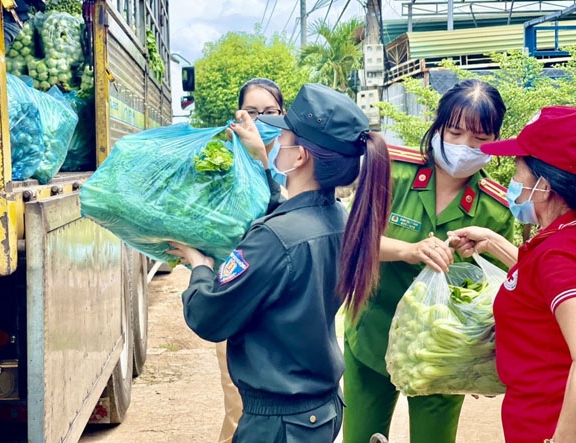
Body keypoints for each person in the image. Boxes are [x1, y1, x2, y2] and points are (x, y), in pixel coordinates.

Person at [167, 82, 392, 442]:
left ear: (300, 156)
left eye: (283, 134)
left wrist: (199, 266)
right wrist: (262, 166)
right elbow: (285, 214)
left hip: (279, 425)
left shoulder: (275, 238)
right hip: (319, 410)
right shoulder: (339, 219)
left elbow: (208, 315)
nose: (276, 140)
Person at [342, 78, 514, 443]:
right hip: (373, 330)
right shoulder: (393, 171)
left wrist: (486, 355)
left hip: (443, 351)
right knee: (361, 436)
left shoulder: (496, 208)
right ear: (436, 126)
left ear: (496, 141)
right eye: (454, 132)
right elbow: (353, 240)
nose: (465, 146)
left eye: (480, 139)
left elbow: (499, 296)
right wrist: (408, 250)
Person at [449, 106, 576, 443]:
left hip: (545, 424)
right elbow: (537, 288)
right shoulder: (559, 237)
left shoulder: (558, 255)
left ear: (544, 186)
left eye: (518, 172)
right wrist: (491, 242)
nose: (512, 183)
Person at [215, 77, 286, 443]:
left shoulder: (297, 159)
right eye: (252, 112)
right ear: (239, 115)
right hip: (238, 292)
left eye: (270, 112)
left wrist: (263, 159)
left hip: (288, 298)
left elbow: (292, 213)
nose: (261, 120)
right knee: (239, 400)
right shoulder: (223, 161)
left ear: (283, 115)